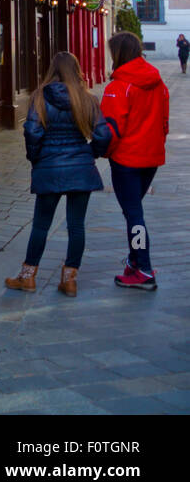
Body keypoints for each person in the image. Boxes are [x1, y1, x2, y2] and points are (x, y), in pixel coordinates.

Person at [6, 52, 113, 296]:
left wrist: (36, 157)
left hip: (49, 167)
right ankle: (69, 279)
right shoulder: (87, 99)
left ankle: (28, 277)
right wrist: (91, 153)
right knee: (76, 226)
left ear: (51, 69)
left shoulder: (40, 97)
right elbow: (104, 134)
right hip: (80, 168)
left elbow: (32, 132)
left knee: (41, 225)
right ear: (77, 70)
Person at [101, 31, 170, 290]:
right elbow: (164, 121)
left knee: (133, 215)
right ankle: (133, 260)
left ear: (118, 54)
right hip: (151, 157)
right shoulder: (158, 82)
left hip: (126, 159)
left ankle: (142, 267)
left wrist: (105, 152)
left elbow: (110, 130)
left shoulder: (119, 87)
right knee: (133, 212)